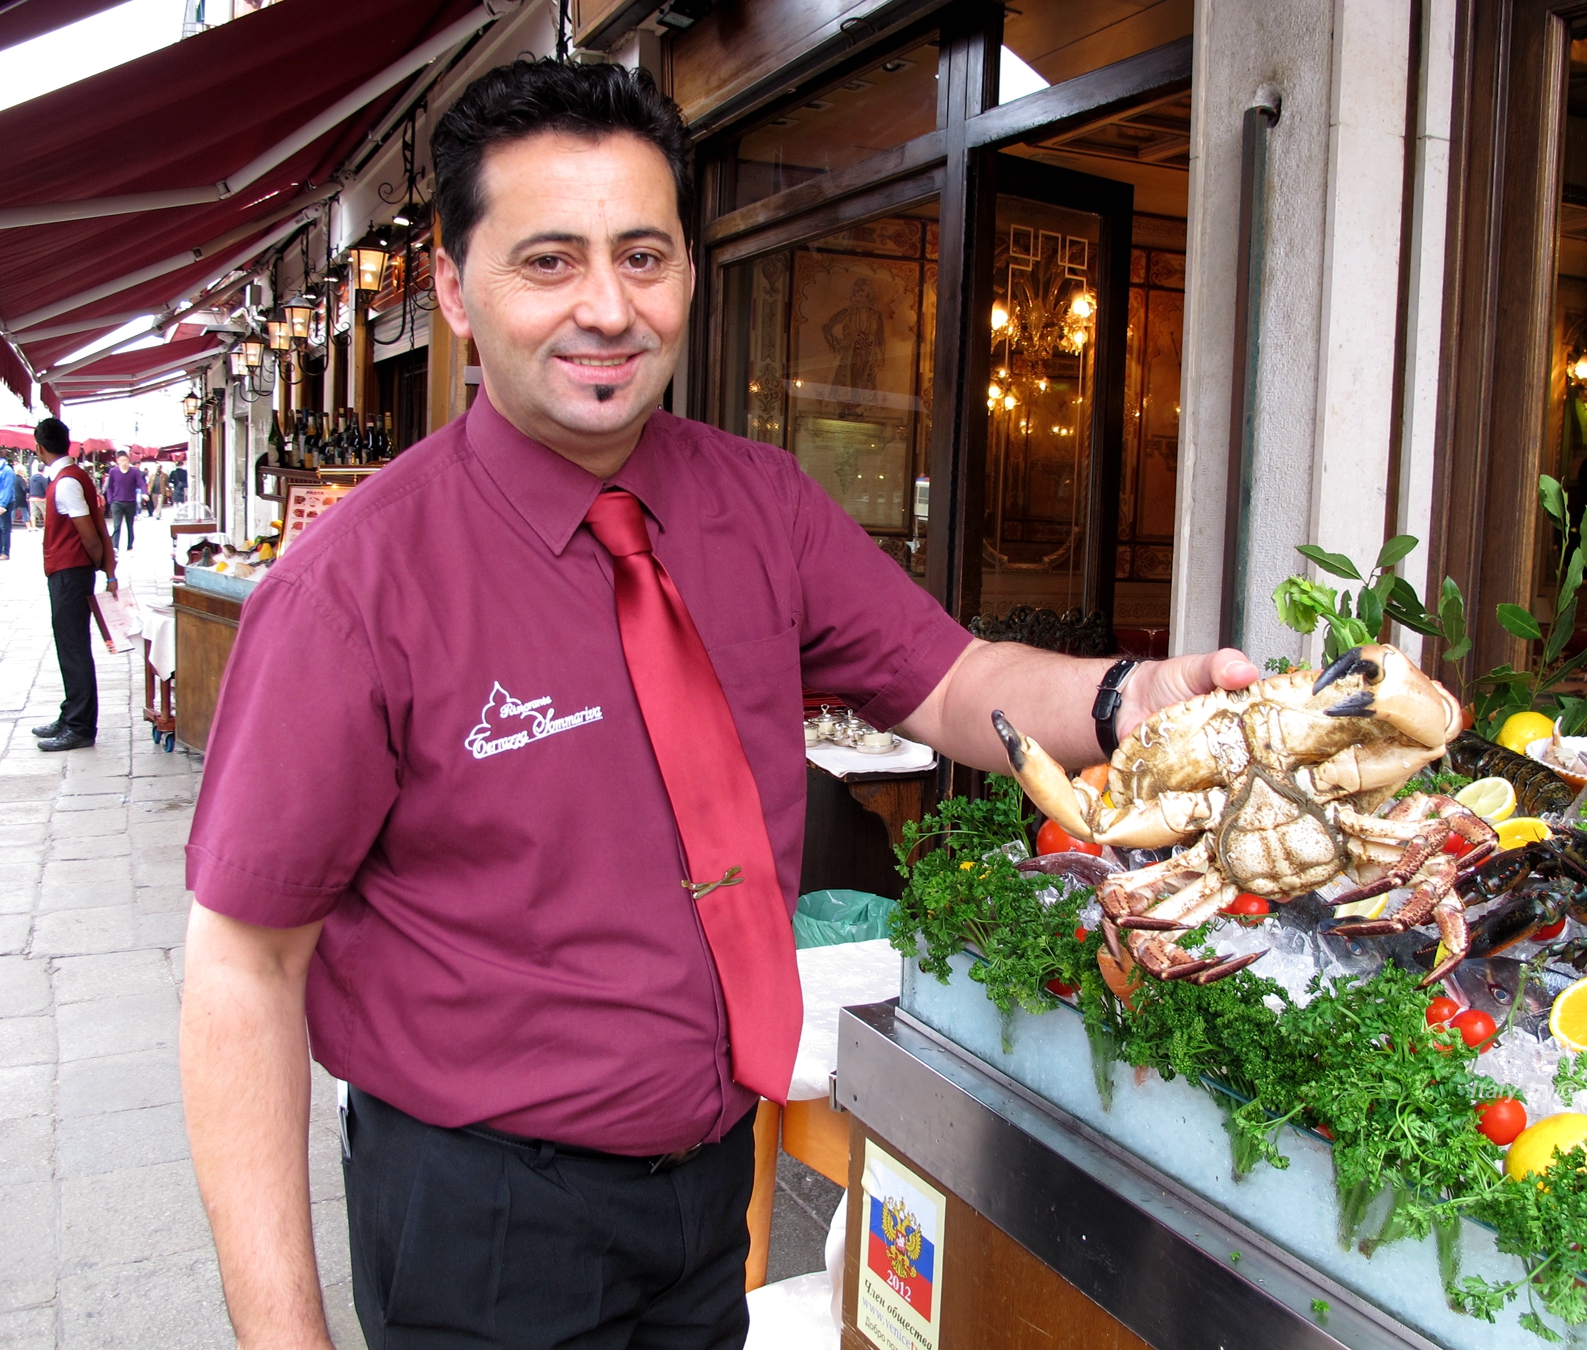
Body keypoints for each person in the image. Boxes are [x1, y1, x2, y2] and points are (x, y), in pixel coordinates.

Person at [177, 60, 1277, 1350]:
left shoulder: (759, 504)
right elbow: (244, 968)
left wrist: (1136, 696)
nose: (608, 308)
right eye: (549, 261)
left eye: (644, 256)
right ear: (454, 290)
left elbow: (951, 681)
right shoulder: (351, 588)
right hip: (486, 1223)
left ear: (690, 274)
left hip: (705, 1192)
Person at [31, 419, 116, 752]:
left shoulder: (66, 482)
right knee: (70, 645)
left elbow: (89, 534)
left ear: (39, 448)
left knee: (74, 648)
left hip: (71, 572)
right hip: (71, 571)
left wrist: (94, 564)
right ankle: (71, 714)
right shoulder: (72, 476)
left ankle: (80, 725)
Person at [103, 451, 145, 550]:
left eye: (125, 460)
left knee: (130, 525)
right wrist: (110, 500)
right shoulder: (113, 471)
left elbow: (141, 483)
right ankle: (115, 547)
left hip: (130, 502)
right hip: (117, 502)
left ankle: (130, 545)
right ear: (117, 461)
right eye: (121, 460)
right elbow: (109, 487)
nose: (124, 462)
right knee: (117, 525)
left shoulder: (134, 471)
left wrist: (144, 492)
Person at [0, 456, 15, 558]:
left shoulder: (7, 471)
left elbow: (7, 488)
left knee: (4, 527)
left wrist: (2, 504)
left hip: (5, 502)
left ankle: (5, 552)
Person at [27, 461, 47, 529]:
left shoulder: (32, 478)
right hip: (41, 498)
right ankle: (45, 526)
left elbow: (29, 488)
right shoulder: (43, 478)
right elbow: (46, 489)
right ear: (44, 470)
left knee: (33, 513)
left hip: (32, 498)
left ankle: (34, 526)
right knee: (45, 513)